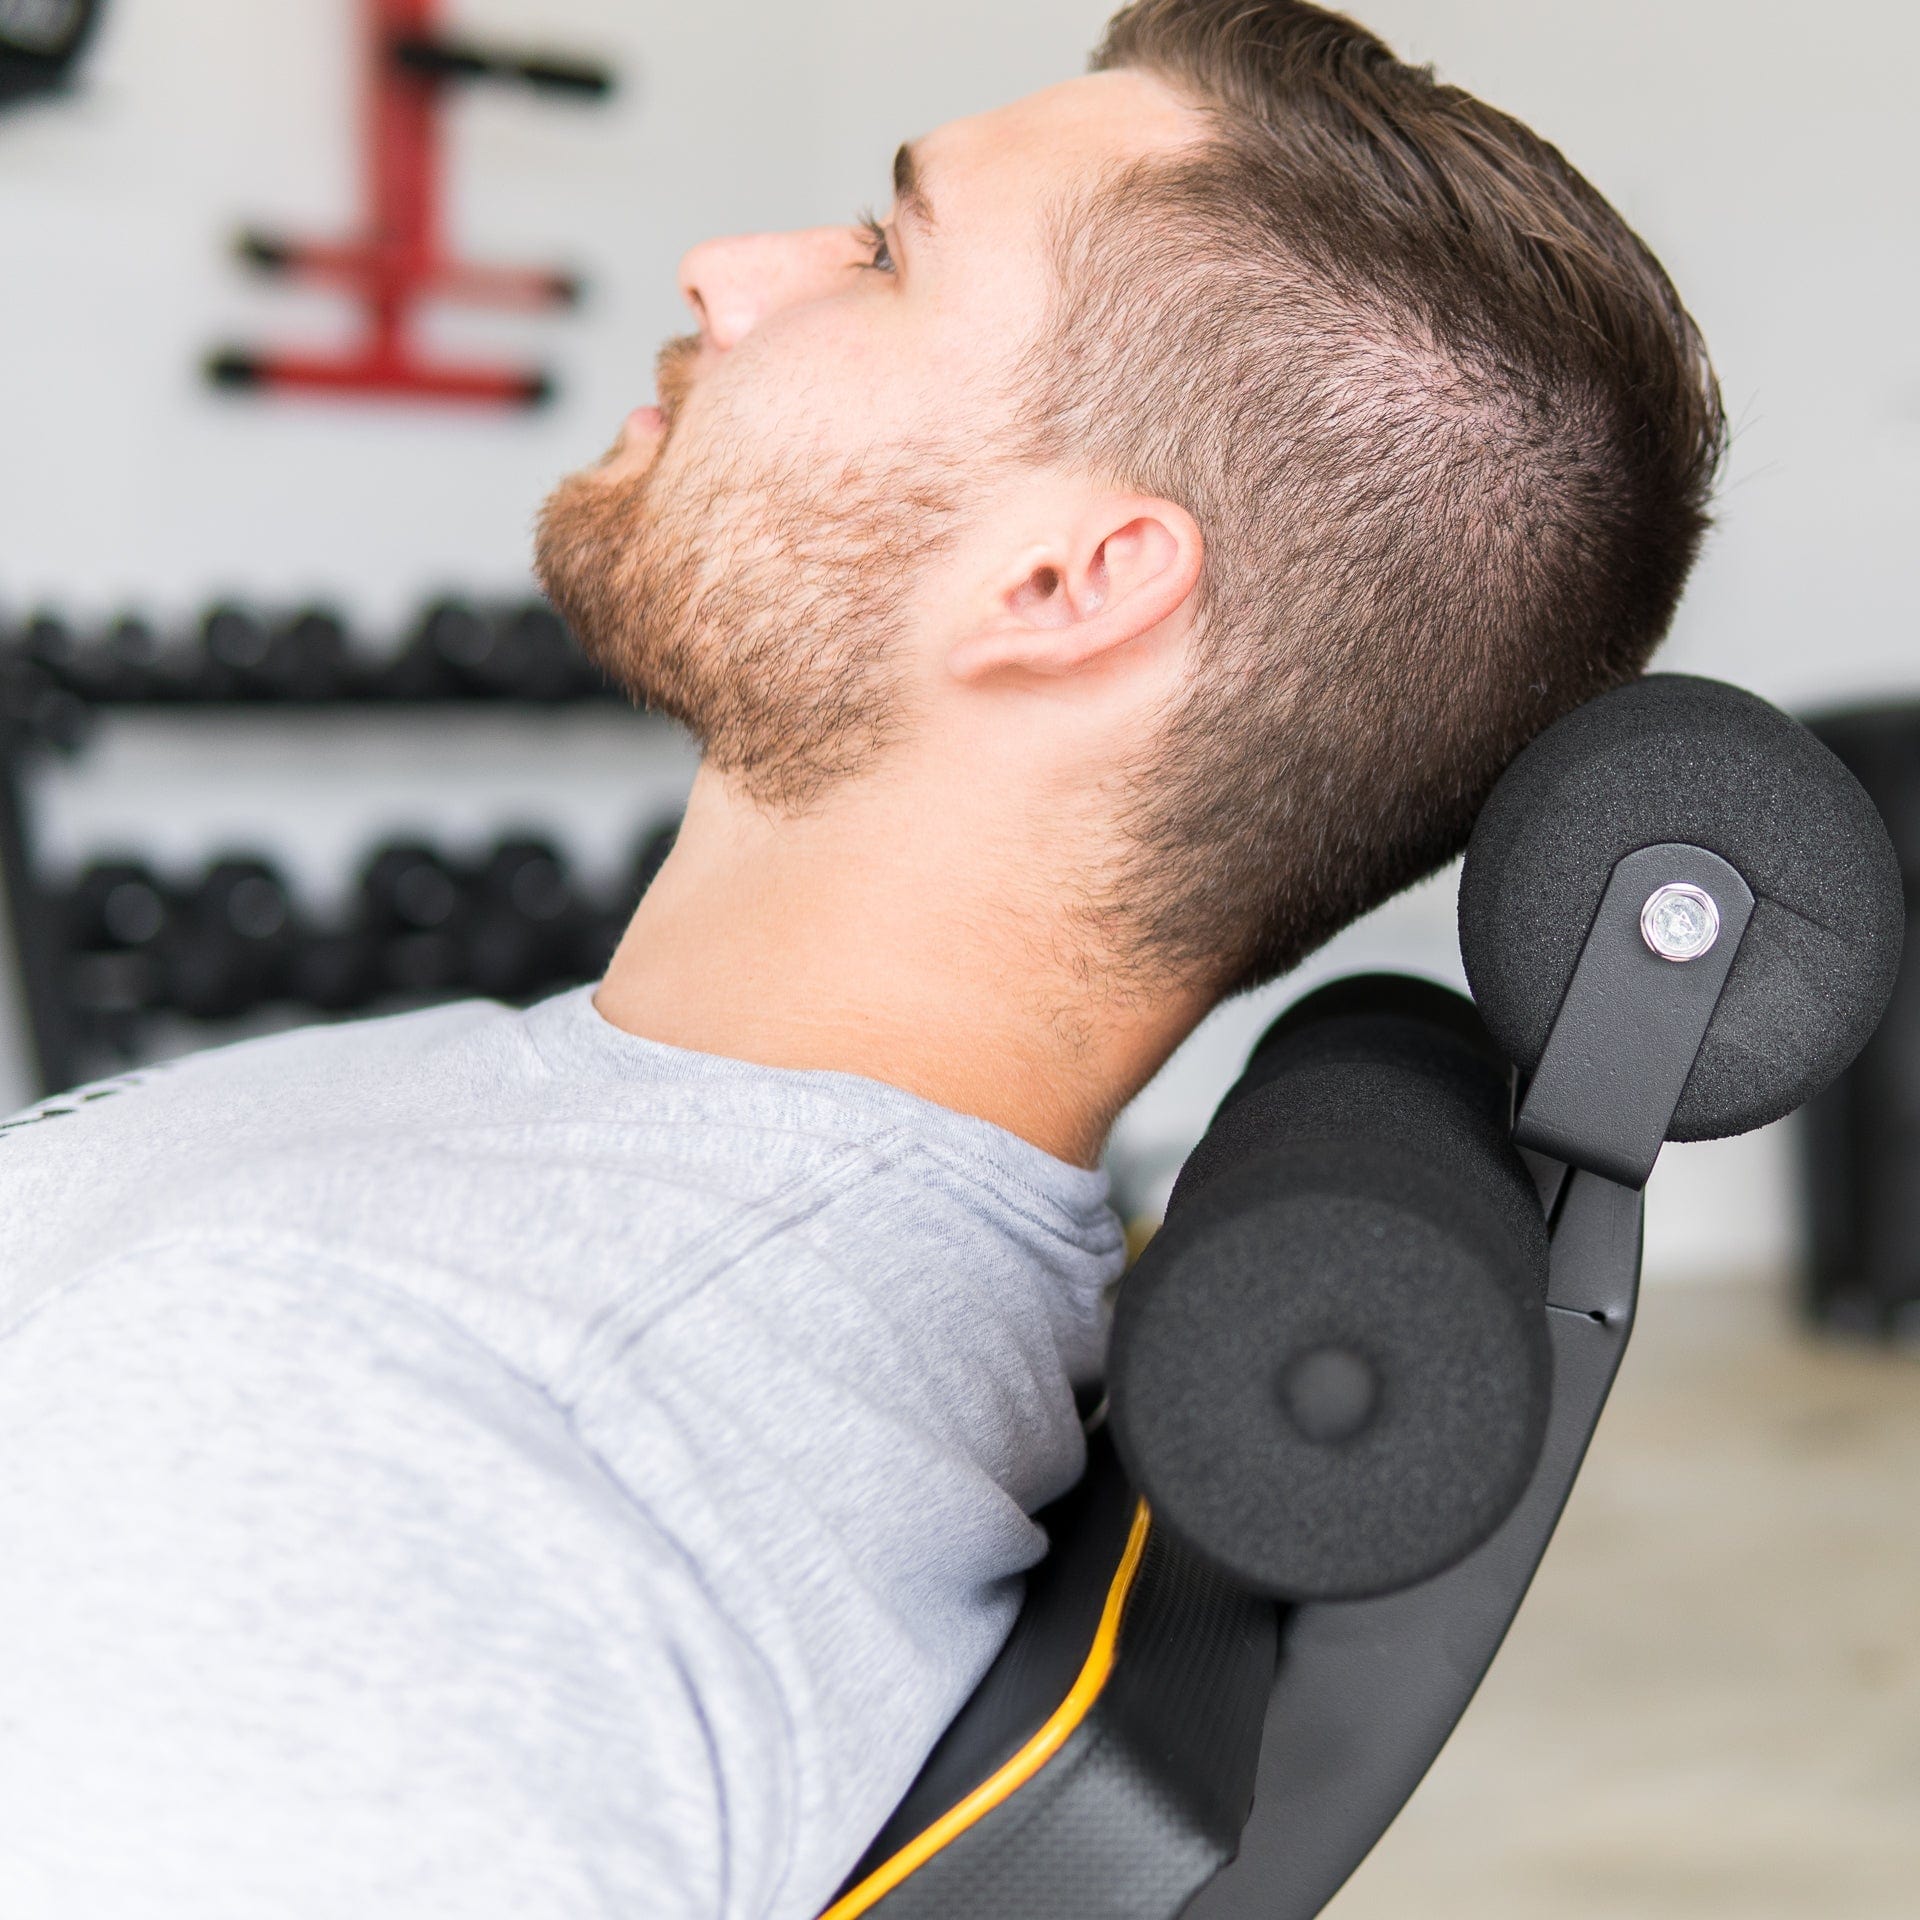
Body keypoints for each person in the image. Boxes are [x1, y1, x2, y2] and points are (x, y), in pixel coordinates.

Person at [0, 2, 1723, 1915]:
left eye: (887, 248)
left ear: (1066, 584)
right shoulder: (611, 1237)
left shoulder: (382, 1448)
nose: (728, 272)